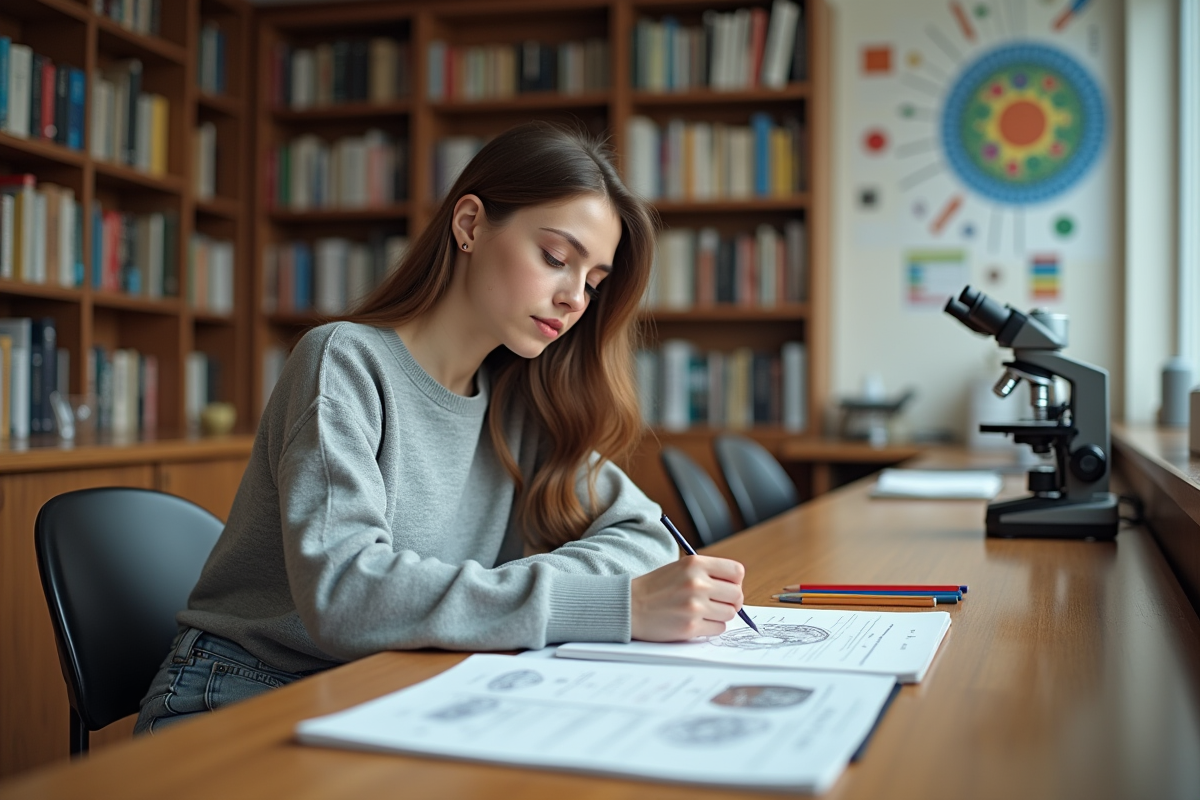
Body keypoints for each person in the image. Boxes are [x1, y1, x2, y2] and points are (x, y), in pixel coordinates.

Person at [135, 121, 749, 734]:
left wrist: (533, 598)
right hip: (245, 689)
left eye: (592, 283)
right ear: (470, 225)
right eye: (556, 258)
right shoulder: (343, 362)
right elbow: (346, 597)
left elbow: (646, 534)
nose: (574, 299)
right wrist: (612, 603)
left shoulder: (523, 402)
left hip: (394, 683)